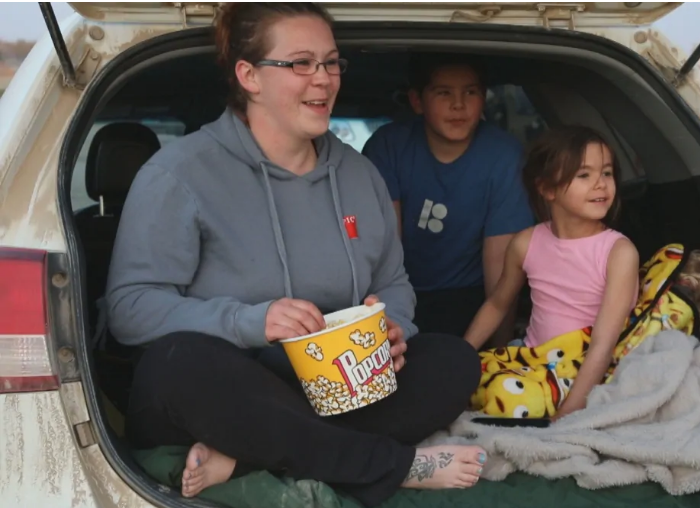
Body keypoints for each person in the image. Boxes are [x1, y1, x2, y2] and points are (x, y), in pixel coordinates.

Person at [104, 4, 485, 507]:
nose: (323, 80)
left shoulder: (359, 174)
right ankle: (390, 466)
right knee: (179, 364)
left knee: (453, 361)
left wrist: (391, 329)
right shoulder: (179, 173)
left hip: (333, 383)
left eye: (331, 63)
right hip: (229, 385)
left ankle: (245, 457)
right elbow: (129, 310)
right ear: (249, 76)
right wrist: (253, 321)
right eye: (301, 63)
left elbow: (394, 281)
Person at [462, 125, 640, 421]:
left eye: (607, 173)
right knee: (468, 381)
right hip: (531, 359)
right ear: (547, 189)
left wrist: (569, 413)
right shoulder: (526, 242)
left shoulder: (618, 253)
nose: (601, 184)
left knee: (502, 394)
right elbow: (497, 304)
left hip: (582, 368)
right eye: (584, 175)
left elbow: (603, 343)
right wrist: (461, 357)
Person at [362, 54, 535, 345]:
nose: (459, 105)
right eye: (444, 93)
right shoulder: (389, 146)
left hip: (467, 297)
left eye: (470, 92)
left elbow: (501, 275)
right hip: (397, 289)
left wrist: (499, 355)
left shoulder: (504, 156)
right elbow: (385, 253)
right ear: (417, 101)